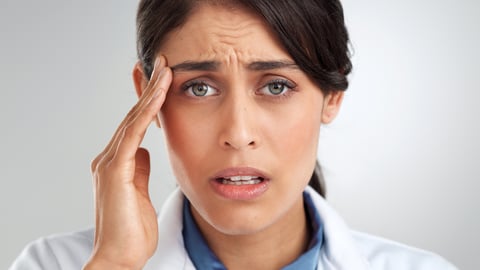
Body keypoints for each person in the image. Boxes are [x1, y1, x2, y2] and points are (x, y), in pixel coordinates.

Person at [10, 0, 458, 269]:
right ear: (149, 97)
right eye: (199, 88)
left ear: (332, 96)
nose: (238, 134)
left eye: (276, 86)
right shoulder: (57, 264)